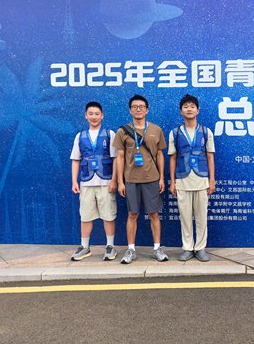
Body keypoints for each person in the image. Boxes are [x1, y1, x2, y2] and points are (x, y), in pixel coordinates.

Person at [113, 94, 168, 264]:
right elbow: (119, 157)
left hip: (152, 178)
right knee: (132, 214)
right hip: (131, 179)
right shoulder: (122, 131)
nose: (138, 109)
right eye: (135, 107)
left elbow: (160, 155)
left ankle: (157, 248)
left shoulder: (156, 130)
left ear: (147, 110)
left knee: (154, 214)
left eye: (142, 107)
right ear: (130, 110)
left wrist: (161, 178)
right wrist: (120, 181)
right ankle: (131, 249)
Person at [168, 94, 216, 262]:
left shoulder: (206, 132)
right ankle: (188, 248)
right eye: (186, 106)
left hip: (202, 179)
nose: (189, 109)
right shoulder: (175, 133)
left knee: (202, 217)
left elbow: (210, 157)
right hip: (182, 180)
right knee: (185, 218)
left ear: (198, 110)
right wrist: (172, 181)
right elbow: (172, 158)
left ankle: (200, 248)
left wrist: (211, 180)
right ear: (181, 111)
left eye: (192, 106)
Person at [70, 101, 117, 261]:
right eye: (91, 114)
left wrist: (114, 180)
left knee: (108, 216)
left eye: (97, 114)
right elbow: (76, 160)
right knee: (85, 216)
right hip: (86, 182)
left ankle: (110, 246)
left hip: (106, 182)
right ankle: (85, 247)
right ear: (86, 116)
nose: (94, 117)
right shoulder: (80, 136)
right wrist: (74, 181)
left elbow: (116, 159)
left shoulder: (110, 134)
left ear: (102, 115)